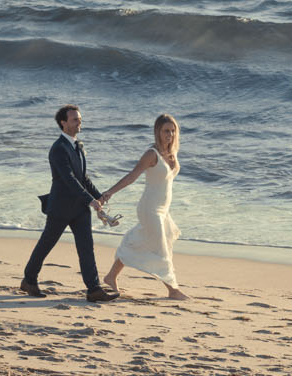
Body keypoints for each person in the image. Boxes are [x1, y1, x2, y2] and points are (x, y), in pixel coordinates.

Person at [20, 105, 119, 302]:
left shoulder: (78, 146)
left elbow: (83, 178)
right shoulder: (58, 148)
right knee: (46, 245)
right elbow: (69, 179)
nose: (79, 122)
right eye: (74, 119)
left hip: (80, 209)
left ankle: (93, 290)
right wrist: (90, 200)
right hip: (61, 208)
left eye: (79, 119)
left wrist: (100, 196)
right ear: (63, 123)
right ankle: (29, 280)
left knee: (86, 247)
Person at [99, 114, 187, 300]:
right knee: (161, 248)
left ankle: (110, 276)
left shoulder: (172, 153)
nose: (170, 134)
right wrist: (110, 192)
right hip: (150, 208)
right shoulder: (151, 154)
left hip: (163, 209)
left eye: (173, 131)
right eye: (166, 131)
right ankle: (173, 289)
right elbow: (132, 176)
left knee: (139, 241)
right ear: (157, 132)